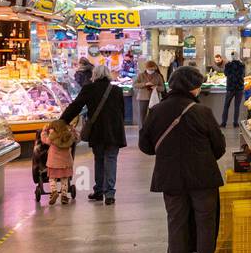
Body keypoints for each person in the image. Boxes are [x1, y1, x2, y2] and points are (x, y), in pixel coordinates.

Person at [139, 65, 230, 253]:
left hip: (170, 178)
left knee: (176, 224)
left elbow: (145, 146)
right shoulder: (202, 112)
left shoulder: (157, 111)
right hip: (203, 178)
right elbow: (219, 147)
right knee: (205, 225)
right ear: (193, 87)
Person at [61, 61, 127, 205]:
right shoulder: (116, 90)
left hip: (97, 130)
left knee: (99, 159)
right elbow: (122, 112)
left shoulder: (89, 88)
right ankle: (109, 193)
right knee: (111, 159)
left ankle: (98, 191)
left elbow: (76, 106)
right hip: (114, 131)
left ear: (94, 75)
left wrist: (62, 120)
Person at [41, 119, 78, 204]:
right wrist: (73, 129)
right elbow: (77, 137)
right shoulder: (69, 136)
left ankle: (54, 191)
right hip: (66, 162)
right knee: (64, 178)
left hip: (53, 162)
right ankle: (64, 196)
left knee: (52, 178)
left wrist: (44, 131)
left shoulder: (52, 136)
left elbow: (44, 140)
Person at [133, 61, 166, 129]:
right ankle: (142, 129)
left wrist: (156, 87)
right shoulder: (141, 75)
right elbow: (134, 85)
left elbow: (162, 88)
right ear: (146, 68)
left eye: (153, 69)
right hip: (143, 97)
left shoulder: (158, 76)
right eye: (150, 69)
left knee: (155, 114)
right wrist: (145, 84)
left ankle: (154, 129)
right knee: (142, 115)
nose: (151, 71)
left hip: (154, 98)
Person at [220, 51, 247, 127]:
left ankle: (224, 123)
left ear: (231, 56)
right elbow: (243, 75)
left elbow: (225, 74)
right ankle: (235, 123)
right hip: (239, 88)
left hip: (230, 88)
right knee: (237, 106)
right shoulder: (242, 65)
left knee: (226, 106)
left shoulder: (228, 65)